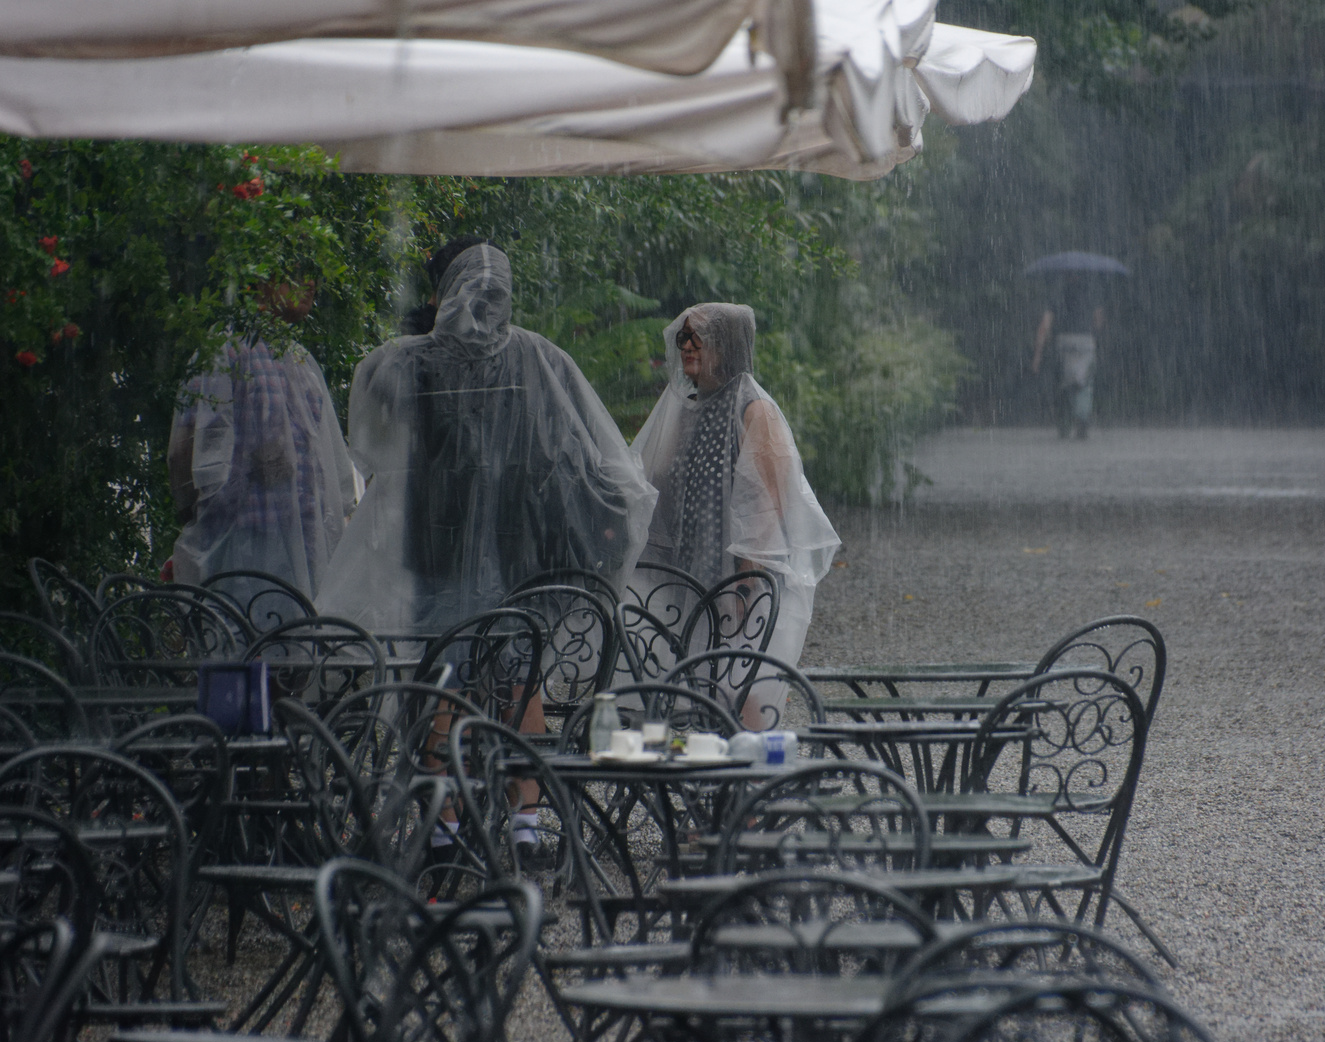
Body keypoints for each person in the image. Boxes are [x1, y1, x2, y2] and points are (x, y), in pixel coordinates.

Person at [317, 239, 656, 634]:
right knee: (515, 661)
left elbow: (369, 444)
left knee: (442, 661)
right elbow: (585, 450)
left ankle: (453, 695)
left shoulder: (401, 360)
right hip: (516, 549)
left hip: (433, 542)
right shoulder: (539, 358)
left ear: (442, 291)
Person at [631, 303, 840, 723]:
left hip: (741, 578)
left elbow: (768, 503)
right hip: (692, 570)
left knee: (742, 693)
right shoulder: (687, 408)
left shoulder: (753, 408)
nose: (686, 345)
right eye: (682, 337)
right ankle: (706, 784)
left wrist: (746, 584)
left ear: (724, 345)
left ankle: (747, 783)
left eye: (697, 337)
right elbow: (656, 486)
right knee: (695, 692)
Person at [167, 280, 357, 606]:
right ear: (261, 279)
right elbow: (189, 457)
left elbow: (327, 467)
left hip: (305, 561)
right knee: (247, 648)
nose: (310, 282)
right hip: (242, 562)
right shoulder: (224, 354)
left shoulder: (301, 362)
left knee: (291, 649)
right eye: (295, 271)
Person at [1032, 281, 1104, 439]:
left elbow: (1044, 326)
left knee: (1063, 384)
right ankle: (1082, 419)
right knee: (1084, 383)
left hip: (1063, 342)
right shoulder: (1092, 295)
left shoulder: (1056, 296)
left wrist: (1037, 356)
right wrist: (1093, 333)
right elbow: (1098, 322)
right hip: (1086, 342)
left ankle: (1064, 425)